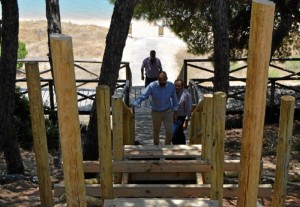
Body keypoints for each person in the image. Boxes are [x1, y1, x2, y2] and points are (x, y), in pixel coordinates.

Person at [132, 71, 178, 145]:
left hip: (168, 111)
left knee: (170, 131)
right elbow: (143, 96)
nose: (162, 82)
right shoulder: (152, 86)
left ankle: (167, 147)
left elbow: (174, 99)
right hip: (156, 111)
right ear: (157, 79)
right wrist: (134, 104)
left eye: (164, 80)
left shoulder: (171, 86)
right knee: (156, 131)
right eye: (160, 80)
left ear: (167, 79)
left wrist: (175, 111)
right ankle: (156, 147)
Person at [172, 79, 192, 145]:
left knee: (174, 133)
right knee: (179, 133)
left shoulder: (186, 95)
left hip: (181, 118)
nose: (177, 87)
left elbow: (188, 109)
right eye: (175, 86)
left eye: (179, 86)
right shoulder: (172, 93)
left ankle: (180, 147)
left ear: (182, 86)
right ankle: (180, 147)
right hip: (172, 116)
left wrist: (186, 121)